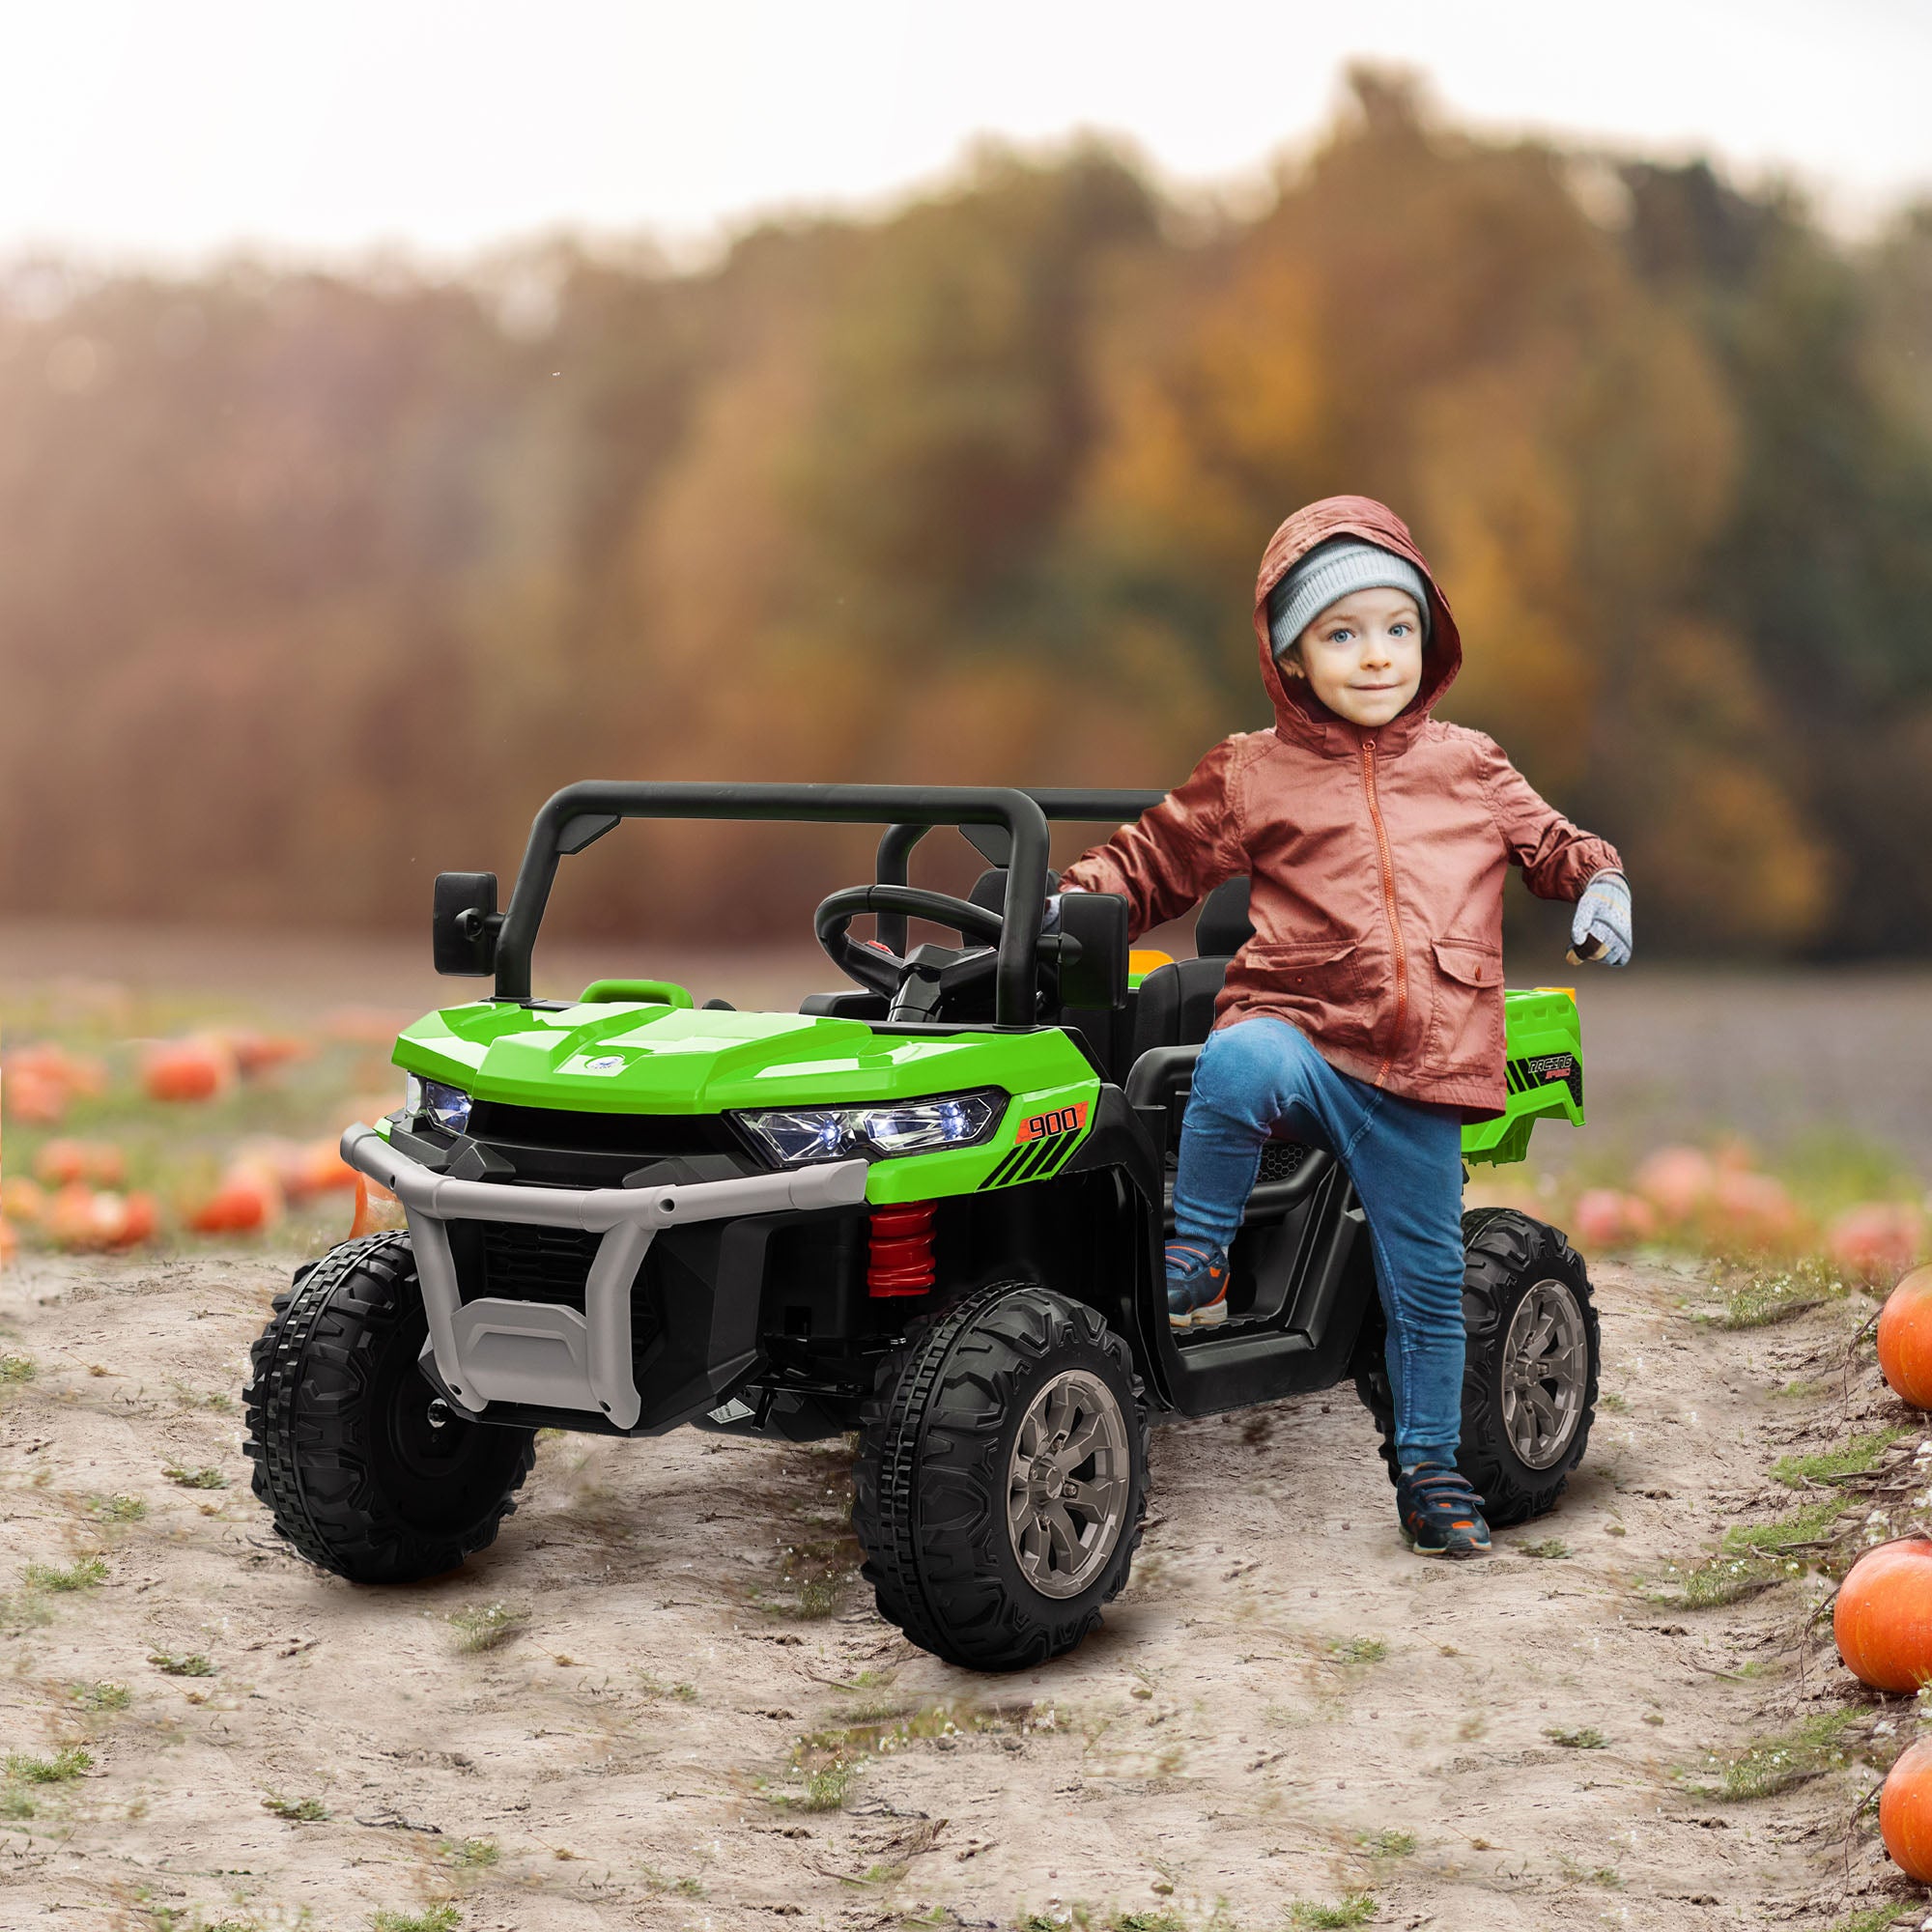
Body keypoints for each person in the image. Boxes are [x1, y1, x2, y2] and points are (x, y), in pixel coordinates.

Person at [1054, 496, 1631, 1558]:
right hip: (1304, 1030)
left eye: (1397, 628)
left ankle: (1431, 1470)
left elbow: (1551, 843)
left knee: (1427, 1291)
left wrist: (1598, 882)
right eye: (1341, 634)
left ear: (1429, 637)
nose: (1375, 656)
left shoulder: (1470, 764)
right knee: (1236, 1058)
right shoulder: (1251, 770)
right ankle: (1201, 1255)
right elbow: (1151, 860)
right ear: (1291, 657)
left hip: (1421, 1071)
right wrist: (1067, 905)